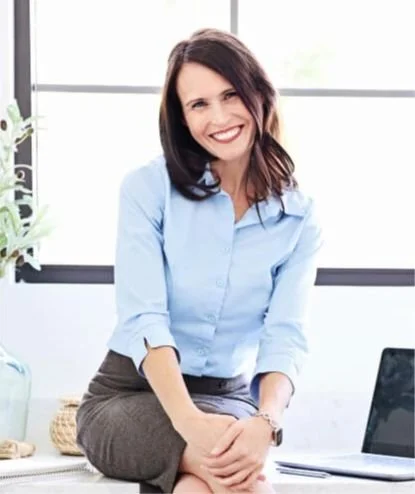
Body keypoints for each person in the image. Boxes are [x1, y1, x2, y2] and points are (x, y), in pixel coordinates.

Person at [76, 28, 323, 494]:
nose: (220, 117)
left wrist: (266, 423)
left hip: (228, 398)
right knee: (236, 481)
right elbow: (145, 317)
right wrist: (189, 422)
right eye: (199, 104)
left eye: (230, 95)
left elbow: (286, 336)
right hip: (130, 396)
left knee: (209, 482)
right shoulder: (148, 189)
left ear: (258, 94)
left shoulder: (298, 216)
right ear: (182, 119)